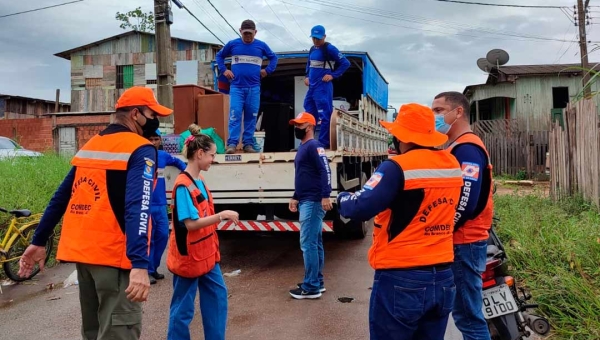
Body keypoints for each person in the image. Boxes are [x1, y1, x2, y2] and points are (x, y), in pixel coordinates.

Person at [18, 86, 173, 339]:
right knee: (118, 331)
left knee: (93, 332)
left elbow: (61, 197)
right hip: (115, 258)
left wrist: (38, 241)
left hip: (86, 260)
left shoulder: (93, 143)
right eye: (153, 114)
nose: (156, 121)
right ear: (136, 114)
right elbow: (139, 205)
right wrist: (139, 264)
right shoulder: (140, 148)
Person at [337, 103, 464, 339]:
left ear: (400, 136)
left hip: (402, 278)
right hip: (444, 276)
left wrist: (342, 197)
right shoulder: (452, 165)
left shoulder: (397, 167)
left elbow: (361, 207)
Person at [432, 91, 494, 340]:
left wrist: (443, 231)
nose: (434, 116)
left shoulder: (467, 148)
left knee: (468, 318)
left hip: (464, 241)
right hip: (464, 240)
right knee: (465, 314)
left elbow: (465, 202)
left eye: (438, 110)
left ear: (458, 112)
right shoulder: (457, 146)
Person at [166, 133, 240, 340]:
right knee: (183, 309)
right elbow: (191, 224)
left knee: (217, 298)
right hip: (189, 258)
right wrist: (221, 215)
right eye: (212, 155)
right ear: (199, 153)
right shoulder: (183, 185)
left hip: (206, 254)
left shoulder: (199, 180)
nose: (213, 159)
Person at [216, 19, 279, 154]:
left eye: (250, 33)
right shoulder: (233, 45)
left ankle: (248, 144)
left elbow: (274, 58)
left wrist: (267, 70)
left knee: (251, 115)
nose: (248, 36)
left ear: (255, 32)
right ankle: (232, 144)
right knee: (235, 114)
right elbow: (219, 56)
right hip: (237, 87)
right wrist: (224, 70)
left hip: (254, 88)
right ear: (240, 31)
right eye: (245, 33)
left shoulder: (261, 46)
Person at [287, 112, 332, 300]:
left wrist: (325, 195)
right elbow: (304, 175)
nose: (297, 128)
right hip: (306, 199)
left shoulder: (314, 146)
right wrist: (295, 196)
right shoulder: (303, 147)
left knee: (308, 244)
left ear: (310, 127)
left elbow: (325, 170)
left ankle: (311, 286)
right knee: (315, 243)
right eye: (296, 125)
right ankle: (316, 281)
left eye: (300, 125)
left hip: (313, 201)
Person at [145, 128, 187, 284]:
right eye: (150, 139)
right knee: (148, 239)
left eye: (156, 139)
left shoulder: (163, 156)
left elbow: (178, 162)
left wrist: (187, 172)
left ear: (160, 140)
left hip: (161, 204)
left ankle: (153, 268)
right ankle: (147, 271)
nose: (153, 142)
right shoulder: (139, 156)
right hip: (145, 205)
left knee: (162, 236)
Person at [303, 24, 350, 149]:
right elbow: (309, 64)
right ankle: (309, 142)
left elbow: (345, 63)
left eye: (318, 38)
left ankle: (323, 143)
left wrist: (333, 75)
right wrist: (307, 76)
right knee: (309, 112)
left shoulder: (330, 49)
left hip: (323, 87)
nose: (316, 40)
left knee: (324, 114)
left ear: (324, 36)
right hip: (312, 87)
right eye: (313, 38)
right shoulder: (313, 49)